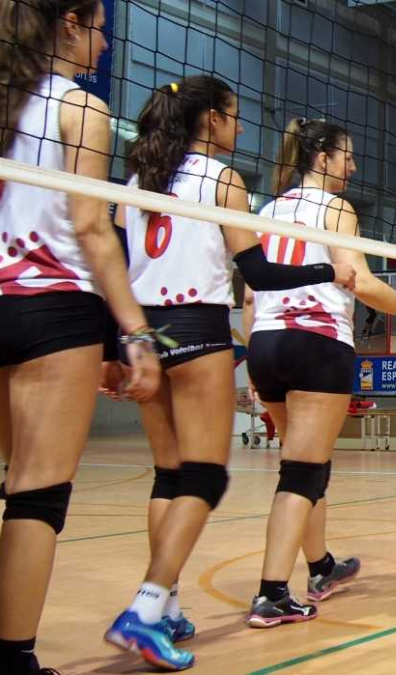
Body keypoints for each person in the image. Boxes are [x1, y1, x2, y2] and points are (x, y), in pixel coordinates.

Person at [103, 76, 355, 669]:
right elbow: (259, 275)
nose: (240, 128)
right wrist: (325, 271)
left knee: (168, 478)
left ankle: (165, 606)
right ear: (211, 119)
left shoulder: (135, 181)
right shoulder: (221, 179)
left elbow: (109, 260)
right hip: (196, 328)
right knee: (204, 477)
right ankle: (143, 608)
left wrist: (113, 345)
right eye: (235, 116)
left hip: (145, 331)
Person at [0, 3, 161, 673]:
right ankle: (14, 658)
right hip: (52, 308)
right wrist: (134, 331)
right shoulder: (79, 108)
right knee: (36, 492)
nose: (101, 44)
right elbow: (93, 230)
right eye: (98, 29)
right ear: (68, 23)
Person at [242, 118, 396, 627]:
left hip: (266, 344)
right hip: (317, 344)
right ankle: (273, 592)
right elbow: (361, 282)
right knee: (301, 470)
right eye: (347, 156)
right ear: (321, 157)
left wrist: (258, 353)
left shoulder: (268, 210)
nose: (354, 166)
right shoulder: (335, 209)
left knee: (307, 464)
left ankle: (321, 566)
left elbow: (250, 297)